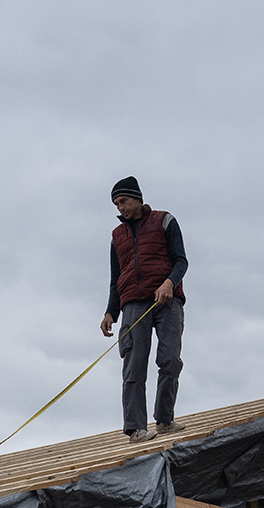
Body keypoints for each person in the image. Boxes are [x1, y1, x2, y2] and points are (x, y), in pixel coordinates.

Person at [100, 176, 187, 442]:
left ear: (137, 198)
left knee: (170, 360)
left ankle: (164, 420)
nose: (120, 208)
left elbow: (181, 260)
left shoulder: (164, 220)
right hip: (133, 306)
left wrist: (169, 283)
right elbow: (116, 279)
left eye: (123, 201)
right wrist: (110, 312)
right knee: (134, 365)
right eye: (116, 204)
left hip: (167, 300)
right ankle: (136, 429)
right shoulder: (117, 236)